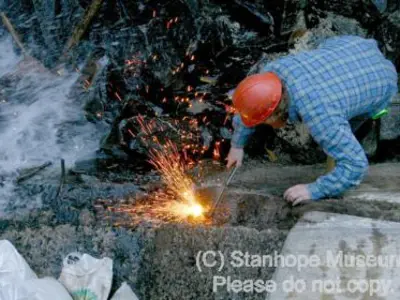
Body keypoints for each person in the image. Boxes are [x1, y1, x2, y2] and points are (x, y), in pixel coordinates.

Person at [226, 35, 398, 206]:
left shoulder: (319, 113)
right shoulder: (272, 71)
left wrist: (314, 190)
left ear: (275, 114)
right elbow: (251, 105)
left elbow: (356, 164)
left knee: (340, 144)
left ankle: (337, 160)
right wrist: (237, 145)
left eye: (263, 121)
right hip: (354, 46)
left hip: (382, 80)